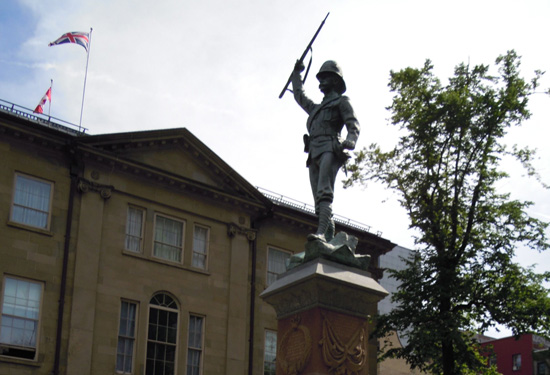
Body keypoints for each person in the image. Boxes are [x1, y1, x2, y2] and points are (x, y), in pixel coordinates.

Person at [291, 60, 360, 242]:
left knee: (324, 192)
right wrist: (297, 74)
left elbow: (353, 125)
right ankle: (328, 235)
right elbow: (299, 95)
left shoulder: (342, 102)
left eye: (325, 77)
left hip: (330, 147)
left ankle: (321, 233)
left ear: (335, 80)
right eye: (320, 78)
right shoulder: (316, 109)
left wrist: (349, 141)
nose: (320, 81)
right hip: (313, 151)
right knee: (318, 199)